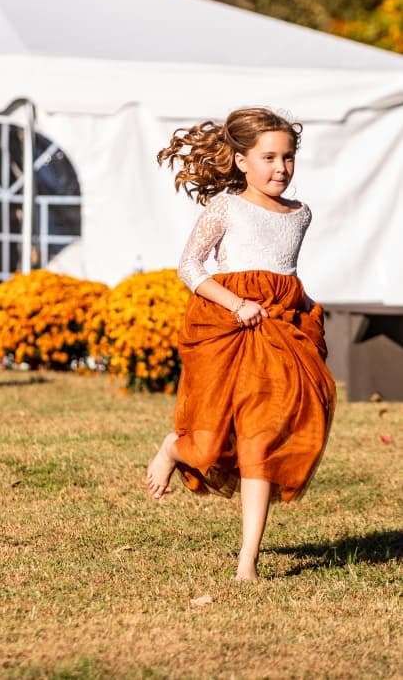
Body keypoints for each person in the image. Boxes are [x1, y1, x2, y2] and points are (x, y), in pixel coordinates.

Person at [145, 107, 336, 581]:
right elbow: (190, 268)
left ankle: (247, 559)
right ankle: (175, 448)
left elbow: (284, 274)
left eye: (288, 157)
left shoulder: (301, 214)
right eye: (268, 157)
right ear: (240, 160)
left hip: (279, 335)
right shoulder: (226, 207)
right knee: (207, 445)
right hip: (228, 332)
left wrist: (308, 304)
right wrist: (236, 304)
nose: (281, 168)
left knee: (262, 442)